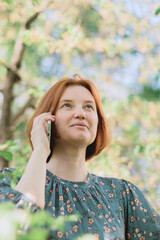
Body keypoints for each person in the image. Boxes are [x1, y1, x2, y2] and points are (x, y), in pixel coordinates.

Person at [0, 74, 160, 240]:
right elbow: (15, 230)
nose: (80, 113)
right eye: (67, 105)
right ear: (46, 120)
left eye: (89, 107)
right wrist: (40, 150)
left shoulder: (122, 195)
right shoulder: (10, 182)